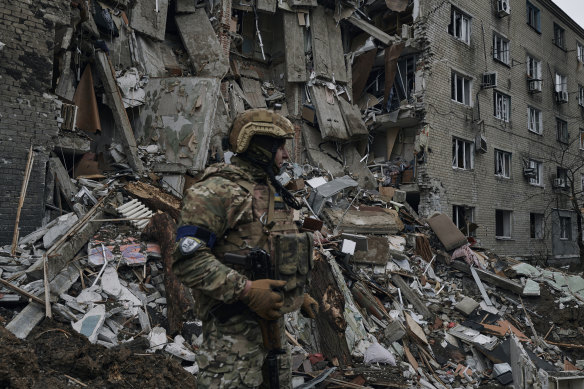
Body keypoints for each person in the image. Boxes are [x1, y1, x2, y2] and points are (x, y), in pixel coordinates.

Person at [172, 109, 319, 388]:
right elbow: (187, 260)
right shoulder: (217, 191)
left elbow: (272, 249)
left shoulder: (270, 191)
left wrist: (298, 294)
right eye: (280, 147)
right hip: (232, 345)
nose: (286, 155)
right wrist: (248, 291)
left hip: (272, 335)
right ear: (260, 146)